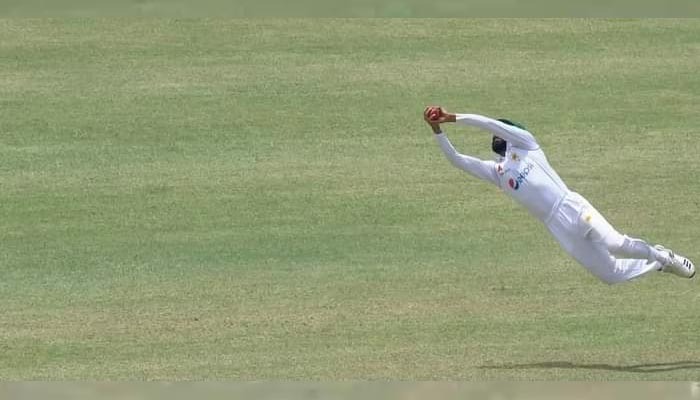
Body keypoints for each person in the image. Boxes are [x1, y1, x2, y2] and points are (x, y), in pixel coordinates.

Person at [423, 106, 695, 284]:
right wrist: (437, 129)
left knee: (615, 243)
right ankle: (657, 262)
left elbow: (489, 124)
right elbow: (457, 160)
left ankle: (662, 255)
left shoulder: (527, 144)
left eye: (501, 131)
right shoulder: (498, 172)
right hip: (556, 226)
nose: (497, 135)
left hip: (572, 206)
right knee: (610, 274)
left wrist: (453, 117)